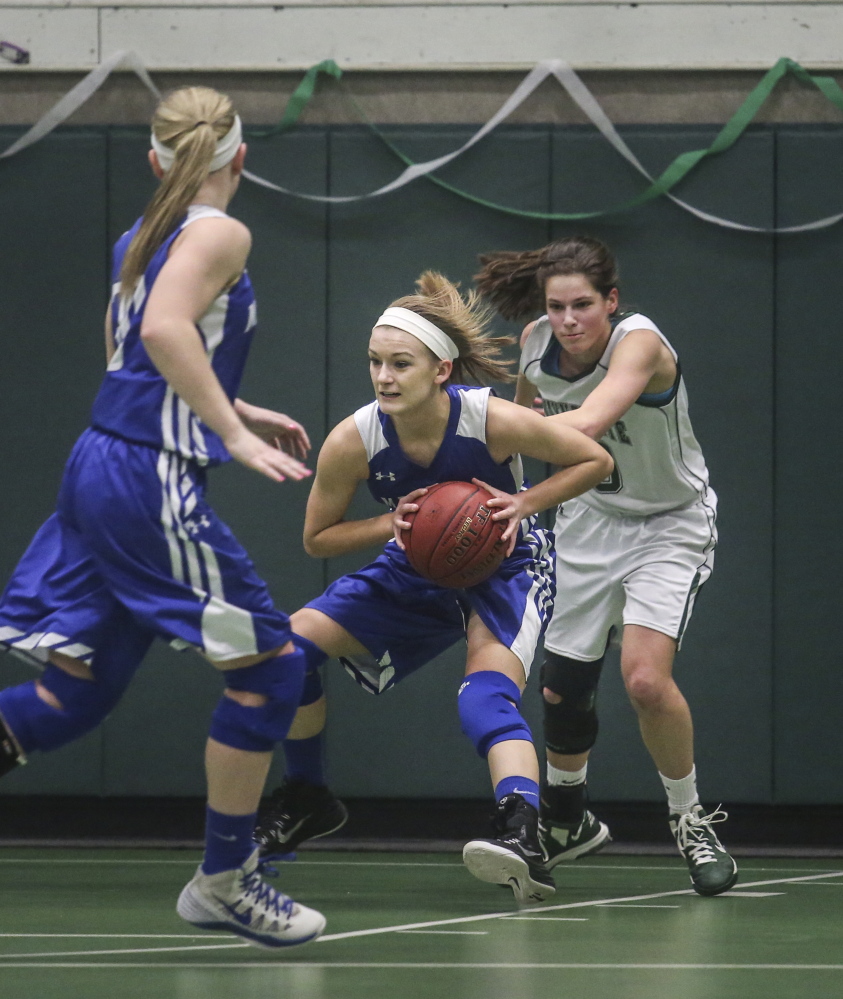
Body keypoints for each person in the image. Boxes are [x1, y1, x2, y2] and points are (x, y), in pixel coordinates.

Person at [0, 86, 326, 946]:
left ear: (155, 161)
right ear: (241, 159)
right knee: (273, 665)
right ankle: (223, 879)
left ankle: (224, 878)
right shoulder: (220, 230)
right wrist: (228, 430)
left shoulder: (145, 230)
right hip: (146, 476)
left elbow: (144, 353)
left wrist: (234, 405)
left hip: (103, 461)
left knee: (74, 692)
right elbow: (163, 334)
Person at [252, 271, 612, 903]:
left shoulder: (488, 419)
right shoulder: (355, 437)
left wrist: (523, 502)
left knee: (483, 697)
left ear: (441, 370)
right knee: (286, 649)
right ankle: (307, 793)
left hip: (507, 567)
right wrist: (390, 521)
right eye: (375, 363)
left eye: (400, 364)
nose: (384, 377)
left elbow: (595, 461)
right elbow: (317, 538)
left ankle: (523, 834)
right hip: (413, 568)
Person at [473, 235, 738, 897]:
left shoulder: (639, 343)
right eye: (557, 305)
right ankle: (565, 820)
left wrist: (524, 478)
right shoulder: (536, 343)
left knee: (645, 680)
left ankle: (689, 818)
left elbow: (583, 422)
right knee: (560, 687)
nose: (568, 319)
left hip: (668, 522)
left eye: (583, 305)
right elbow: (528, 423)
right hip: (588, 518)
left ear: (610, 302)